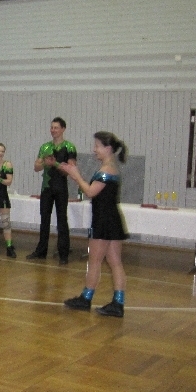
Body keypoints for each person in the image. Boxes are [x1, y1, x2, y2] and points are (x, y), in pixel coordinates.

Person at [60, 132, 128, 317]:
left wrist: (76, 175)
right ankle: (118, 302)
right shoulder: (110, 168)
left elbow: (90, 192)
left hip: (103, 219)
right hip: (111, 218)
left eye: (97, 146)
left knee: (95, 260)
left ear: (108, 148)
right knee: (115, 262)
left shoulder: (107, 170)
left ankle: (86, 298)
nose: (94, 149)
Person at [27, 117, 77, 265]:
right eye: (52, 127)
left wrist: (54, 163)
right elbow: (36, 167)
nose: (53, 130)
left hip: (61, 187)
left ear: (63, 129)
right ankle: (41, 251)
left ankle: (63, 254)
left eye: (56, 127)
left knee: (62, 220)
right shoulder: (45, 147)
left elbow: (70, 170)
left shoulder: (69, 147)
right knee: (44, 219)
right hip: (47, 187)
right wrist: (44, 163)